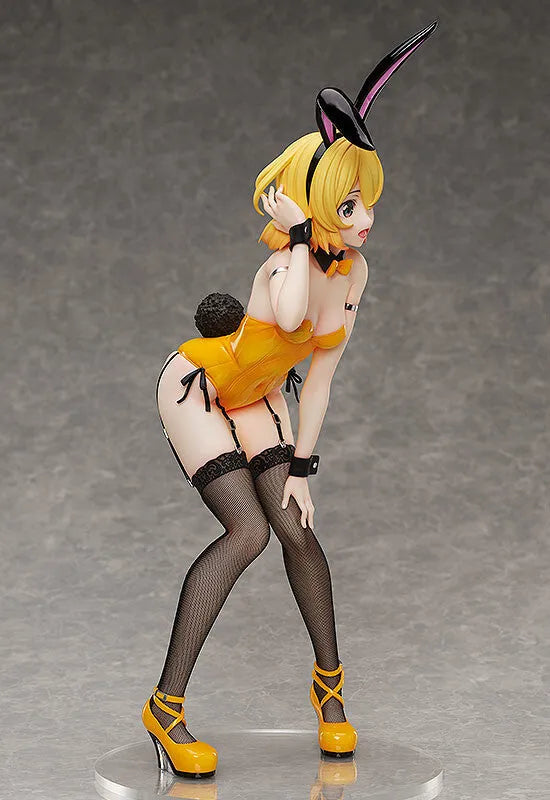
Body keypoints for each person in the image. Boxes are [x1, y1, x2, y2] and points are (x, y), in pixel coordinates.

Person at [141, 20, 438, 779]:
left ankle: (330, 693)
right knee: (248, 533)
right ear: (312, 206)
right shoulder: (285, 269)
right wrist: (302, 235)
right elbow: (298, 309)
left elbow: (323, 377)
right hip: (202, 388)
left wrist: (302, 469)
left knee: (297, 529)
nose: (367, 219)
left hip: (261, 393)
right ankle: (165, 708)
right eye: (349, 205)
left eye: (367, 201)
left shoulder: (356, 273)